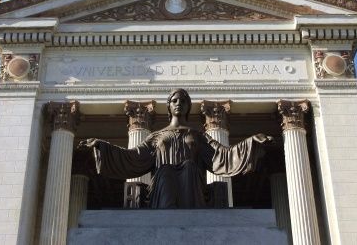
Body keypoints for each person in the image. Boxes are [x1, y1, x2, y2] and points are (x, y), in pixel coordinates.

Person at [81, 89, 272, 208]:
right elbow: (133, 157)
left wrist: (251, 142)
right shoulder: (156, 136)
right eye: (174, 100)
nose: (178, 103)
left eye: (183, 101)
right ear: (169, 106)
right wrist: (102, 146)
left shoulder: (198, 135)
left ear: (188, 105)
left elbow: (222, 155)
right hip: (163, 184)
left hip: (192, 184)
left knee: (189, 166)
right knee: (164, 171)